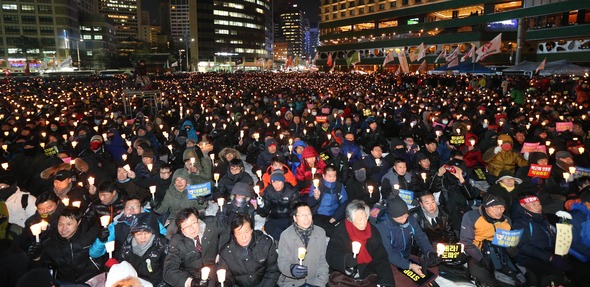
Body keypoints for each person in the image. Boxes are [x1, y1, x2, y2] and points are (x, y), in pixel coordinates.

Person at [27, 207, 104, 285]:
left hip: (92, 278)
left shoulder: (91, 234)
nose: (64, 229)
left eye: (69, 224)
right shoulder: (50, 243)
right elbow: (38, 272)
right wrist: (36, 258)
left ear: (79, 222)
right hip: (66, 282)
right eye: (60, 224)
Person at [326, 200, 394, 286]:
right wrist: (346, 259)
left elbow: (381, 258)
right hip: (345, 273)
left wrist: (386, 282)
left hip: (367, 270)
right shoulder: (341, 230)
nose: (363, 222)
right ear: (350, 219)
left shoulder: (372, 231)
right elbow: (332, 253)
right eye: (359, 219)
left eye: (365, 217)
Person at [376, 196, 441, 286]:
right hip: (389, 262)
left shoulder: (409, 219)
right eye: (400, 218)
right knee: (403, 283)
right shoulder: (383, 227)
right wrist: (409, 266)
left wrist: (429, 252)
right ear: (392, 216)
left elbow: (420, 236)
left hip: (406, 256)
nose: (404, 220)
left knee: (432, 271)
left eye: (405, 215)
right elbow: (389, 254)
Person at [511, 193, 570, 286]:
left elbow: (550, 235)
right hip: (529, 258)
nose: (538, 207)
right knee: (551, 274)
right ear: (523, 205)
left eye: (539, 204)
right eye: (534, 205)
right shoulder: (519, 222)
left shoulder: (541, 217)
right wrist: (549, 257)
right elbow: (523, 246)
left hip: (547, 253)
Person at [163, 208, 230, 287]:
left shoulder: (211, 225)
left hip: (216, 267)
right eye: (186, 226)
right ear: (181, 229)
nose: (191, 229)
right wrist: (191, 282)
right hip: (193, 275)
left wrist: (222, 251)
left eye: (193, 223)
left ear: (198, 220)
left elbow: (226, 229)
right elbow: (168, 271)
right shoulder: (177, 242)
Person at [460, 194, 511, 287]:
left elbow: (507, 242)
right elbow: (466, 242)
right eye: (495, 207)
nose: (499, 210)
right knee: (483, 275)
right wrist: (482, 258)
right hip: (477, 253)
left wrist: (511, 249)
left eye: (502, 207)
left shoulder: (506, 221)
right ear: (486, 207)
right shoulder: (471, 217)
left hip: (500, 254)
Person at [218, 214, 280, 287]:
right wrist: (224, 284)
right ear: (234, 234)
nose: (244, 237)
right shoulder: (226, 252)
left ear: (251, 230)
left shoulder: (264, 243)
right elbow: (227, 278)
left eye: (246, 232)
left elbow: (273, 270)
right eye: (239, 233)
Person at [276, 202, 329, 287]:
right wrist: (291, 270)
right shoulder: (286, 235)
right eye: (302, 215)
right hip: (291, 282)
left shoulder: (320, 233)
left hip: (314, 280)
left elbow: (323, 261)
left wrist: (320, 283)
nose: (306, 218)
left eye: (308, 214)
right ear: (295, 218)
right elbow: (282, 262)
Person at [118, 212, 168, 286]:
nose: (143, 237)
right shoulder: (128, 245)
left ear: (153, 232)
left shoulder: (162, 245)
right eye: (138, 234)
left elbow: (168, 272)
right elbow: (123, 268)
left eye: (146, 233)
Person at [257, 170, 300, 241]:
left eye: (279, 181)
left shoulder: (291, 191)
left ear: (283, 181)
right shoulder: (268, 191)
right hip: (274, 218)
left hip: (289, 219)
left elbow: (296, 209)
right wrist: (261, 205)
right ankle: (284, 240)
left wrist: (293, 220)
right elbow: (264, 213)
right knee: (268, 226)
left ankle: (283, 240)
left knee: (294, 228)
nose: (276, 184)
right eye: (273, 182)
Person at [307, 165, 348, 237]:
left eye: (334, 176)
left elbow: (344, 203)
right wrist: (316, 197)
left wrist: (335, 217)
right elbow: (310, 203)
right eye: (329, 176)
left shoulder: (339, 186)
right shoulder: (317, 185)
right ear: (323, 176)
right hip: (319, 215)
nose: (332, 178)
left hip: (334, 215)